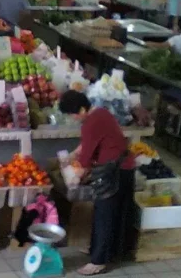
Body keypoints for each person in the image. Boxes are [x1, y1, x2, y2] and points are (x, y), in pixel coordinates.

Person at [59, 90, 135, 276]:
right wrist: (72, 155)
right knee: (115, 212)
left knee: (105, 213)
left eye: (73, 114)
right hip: (125, 167)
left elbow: (85, 161)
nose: (72, 118)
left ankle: (98, 261)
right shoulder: (100, 113)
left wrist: (74, 178)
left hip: (114, 171)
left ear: (83, 109)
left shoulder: (91, 123)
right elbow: (88, 144)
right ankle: (102, 249)